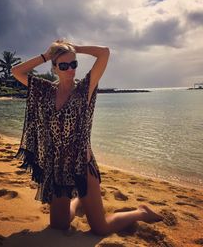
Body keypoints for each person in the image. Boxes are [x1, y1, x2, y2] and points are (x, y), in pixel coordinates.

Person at [12, 39, 163, 236]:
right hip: (57, 166)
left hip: (82, 165)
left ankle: (140, 212)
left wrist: (76, 49)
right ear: (55, 68)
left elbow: (104, 53)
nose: (70, 70)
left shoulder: (85, 89)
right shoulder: (45, 90)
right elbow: (16, 72)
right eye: (63, 66)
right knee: (60, 225)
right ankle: (79, 201)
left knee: (101, 229)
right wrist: (47, 55)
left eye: (73, 64)